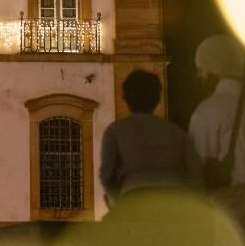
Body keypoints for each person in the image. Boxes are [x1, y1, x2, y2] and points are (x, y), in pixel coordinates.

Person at [100, 69, 202, 205]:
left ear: (126, 98)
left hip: (133, 200)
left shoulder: (114, 131)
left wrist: (116, 202)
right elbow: (195, 174)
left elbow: (106, 176)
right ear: (157, 98)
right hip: (172, 201)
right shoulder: (177, 132)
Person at [188, 34, 245, 185]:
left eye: (201, 69)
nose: (198, 75)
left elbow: (197, 167)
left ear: (214, 70)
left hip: (231, 203)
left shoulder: (207, 111)